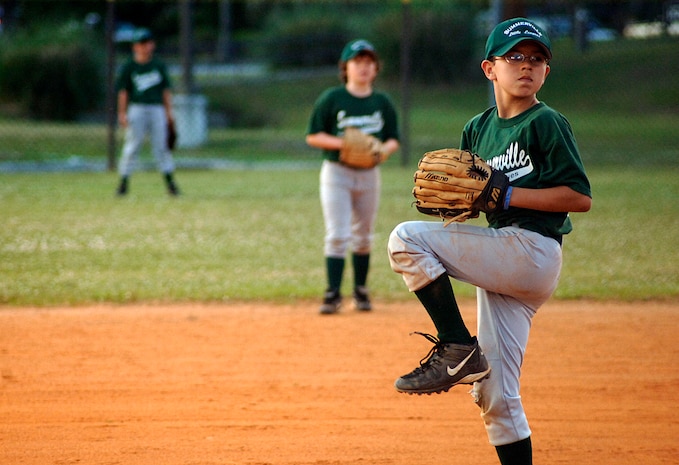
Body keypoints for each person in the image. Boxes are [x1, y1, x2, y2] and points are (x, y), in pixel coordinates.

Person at [387, 18, 592, 465]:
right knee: (494, 395)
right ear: (489, 68)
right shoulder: (477, 128)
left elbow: (579, 197)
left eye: (537, 58)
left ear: (546, 72)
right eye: (514, 56)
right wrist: (453, 206)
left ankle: (457, 345)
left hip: (533, 250)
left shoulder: (547, 122)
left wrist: (507, 194)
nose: (526, 66)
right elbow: (475, 203)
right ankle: (468, 359)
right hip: (503, 257)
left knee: (404, 239)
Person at [306, 39, 400, 314]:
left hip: (369, 174)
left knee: (364, 236)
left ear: (376, 69)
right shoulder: (332, 99)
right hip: (337, 173)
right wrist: (347, 144)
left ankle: (360, 291)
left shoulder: (381, 102)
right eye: (357, 62)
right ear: (345, 67)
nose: (363, 67)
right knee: (337, 234)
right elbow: (313, 135)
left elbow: (393, 139)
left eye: (369, 62)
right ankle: (333, 293)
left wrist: (382, 150)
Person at [115, 28, 180, 196]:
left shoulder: (158, 65)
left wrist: (169, 114)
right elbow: (123, 91)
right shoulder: (130, 66)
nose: (145, 47)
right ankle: (123, 183)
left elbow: (166, 91)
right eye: (141, 43)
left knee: (161, 147)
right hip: (136, 108)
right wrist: (121, 112)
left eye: (148, 43)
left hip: (156, 108)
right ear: (135, 47)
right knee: (132, 146)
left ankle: (171, 184)